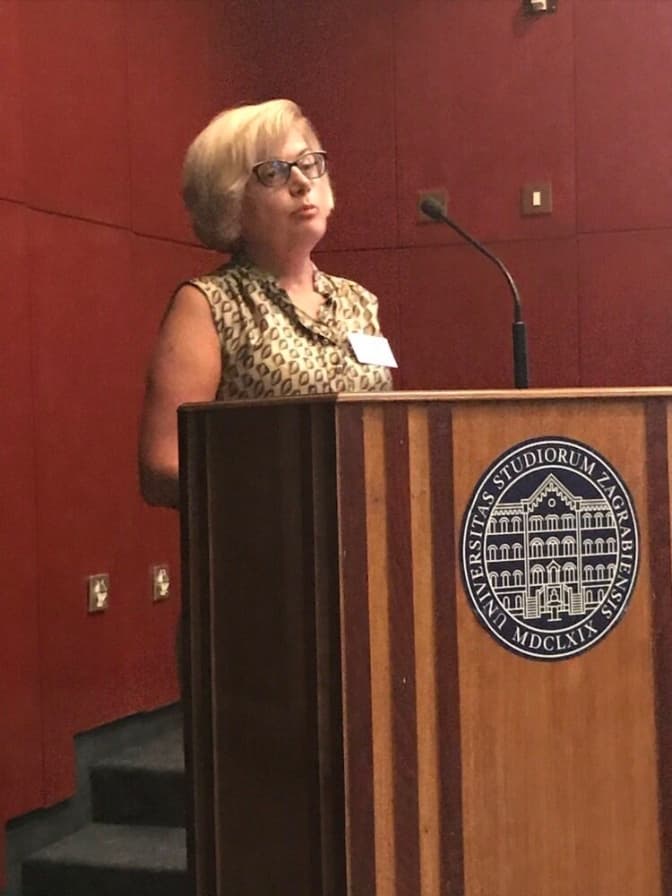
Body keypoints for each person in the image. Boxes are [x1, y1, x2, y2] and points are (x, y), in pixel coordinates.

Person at [139, 98, 395, 509]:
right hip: (266, 540)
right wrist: (281, 496)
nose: (302, 182)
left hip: (370, 531)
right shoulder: (210, 305)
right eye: (274, 172)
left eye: (308, 163)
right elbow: (162, 468)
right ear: (230, 200)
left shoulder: (359, 301)